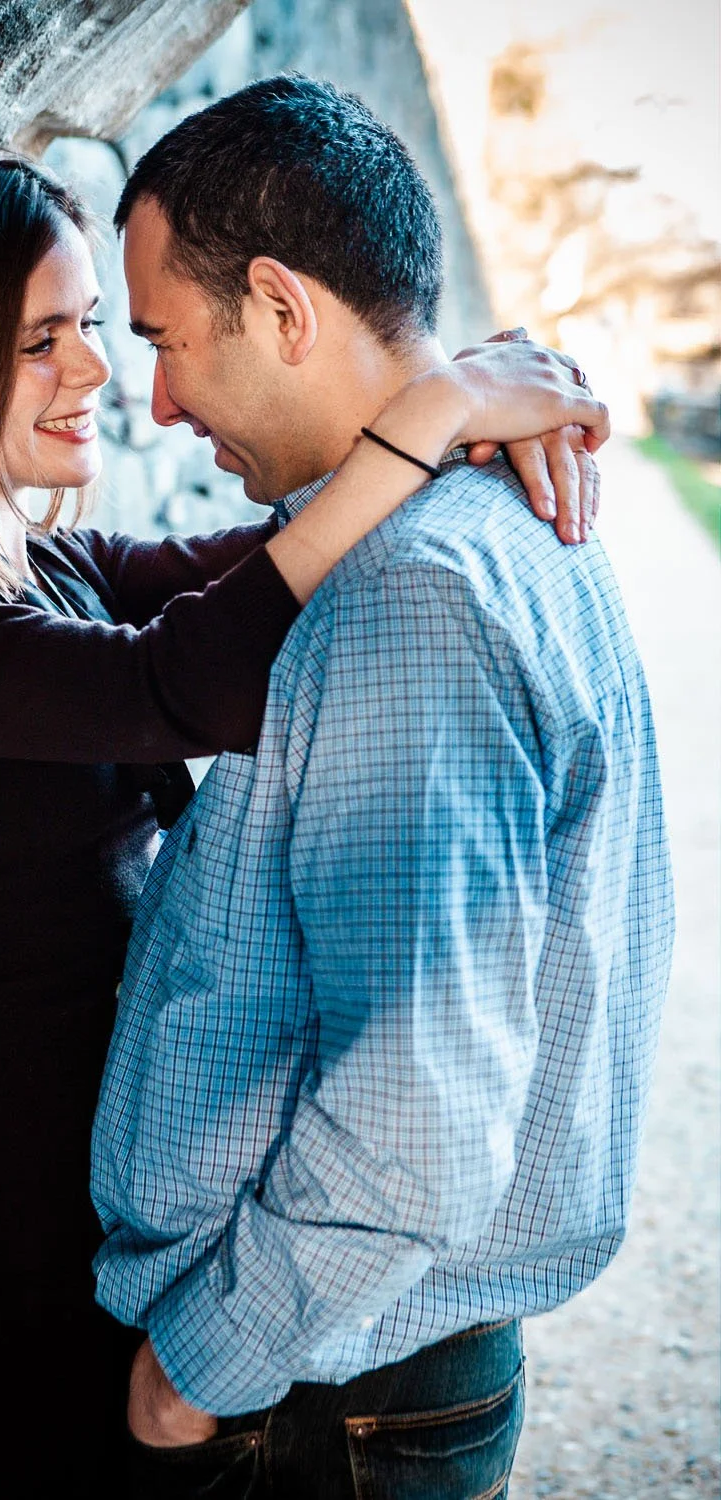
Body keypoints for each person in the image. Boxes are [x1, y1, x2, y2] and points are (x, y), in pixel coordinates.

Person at [0, 139, 600, 1499]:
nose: (97, 372)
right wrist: (433, 409)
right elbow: (192, 678)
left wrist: (479, 412)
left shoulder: (43, 560)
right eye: (45, 339)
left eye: (89, 324)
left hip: (104, 1255)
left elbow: (271, 564)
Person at [91, 75, 675, 1500]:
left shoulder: (412, 602)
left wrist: (199, 1370)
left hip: (321, 1403)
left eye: (167, 341)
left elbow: (416, 1110)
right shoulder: (478, 518)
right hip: (363, 1382)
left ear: (285, 310)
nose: (155, 403)